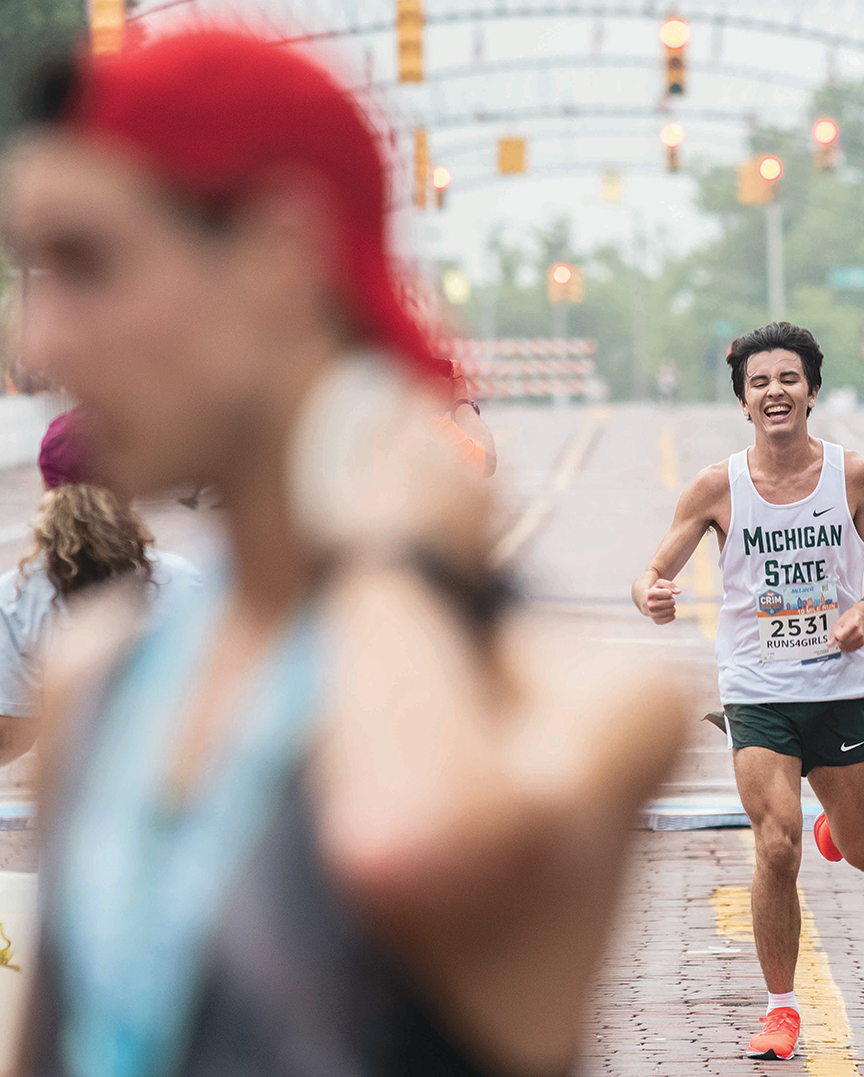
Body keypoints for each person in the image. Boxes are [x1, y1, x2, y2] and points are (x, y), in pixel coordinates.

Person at [3, 29, 685, 1076]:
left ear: (278, 256)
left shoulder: (575, 703)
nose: (41, 343)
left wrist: (391, 535)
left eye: (89, 264)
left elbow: (404, 843)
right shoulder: (102, 677)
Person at [631, 321, 864, 1061]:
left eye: (788, 378)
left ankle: (839, 826)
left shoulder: (854, 475)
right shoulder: (717, 486)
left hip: (840, 686)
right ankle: (782, 1009)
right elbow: (652, 572)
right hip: (757, 688)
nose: (774, 391)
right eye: (759, 383)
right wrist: (651, 594)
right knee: (776, 842)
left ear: (811, 391)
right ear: (743, 401)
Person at [0, 410, 200, 773]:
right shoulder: (188, 582)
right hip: (177, 782)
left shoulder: (15, 596)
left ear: (46, 486)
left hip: (75, 790)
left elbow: (12, 734)